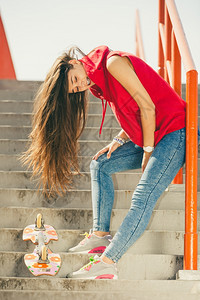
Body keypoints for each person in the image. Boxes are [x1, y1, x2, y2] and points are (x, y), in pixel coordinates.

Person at [21, 45, 200, 280]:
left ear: (74, 62)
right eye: (75, 88)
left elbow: (147, 105)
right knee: (100, 164)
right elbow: (132, 109)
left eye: (76, 79)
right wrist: (120, 137)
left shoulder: (112, 63)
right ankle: (100, 234)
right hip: (154, 133)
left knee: (143, 196)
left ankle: (107, 262)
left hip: (175, 132)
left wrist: (147, 150)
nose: (80, 86)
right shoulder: (97, 84)